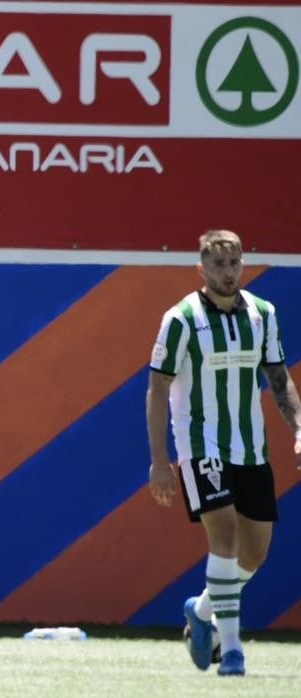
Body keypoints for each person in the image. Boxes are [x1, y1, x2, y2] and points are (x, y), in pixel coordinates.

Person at [147, 229, 301, 678]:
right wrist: (160, 459)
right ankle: (230, 649)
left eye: (233, 263)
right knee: (227, 537)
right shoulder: (180, 319)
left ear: (242, 265)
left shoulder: (262, 314)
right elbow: (157, 387)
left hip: (250, 447)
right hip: (199, 445)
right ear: (202, 269)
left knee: (254, 554)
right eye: (218, 265)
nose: (227, 272)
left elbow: (277, 377)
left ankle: (201, 608)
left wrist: (298, 428)